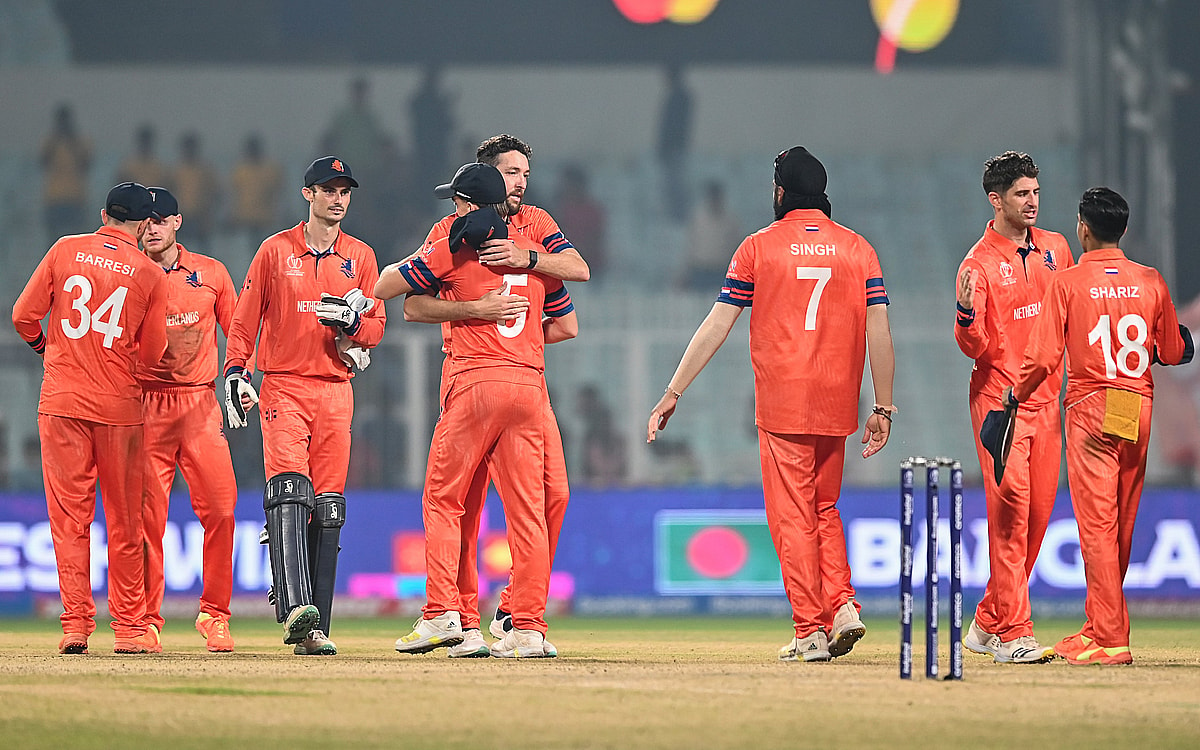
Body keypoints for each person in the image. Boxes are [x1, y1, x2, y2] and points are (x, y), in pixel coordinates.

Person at [646, 146, 895, 662]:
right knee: (824, 508)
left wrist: (674, 391)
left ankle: (809, 630)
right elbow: (880, 331)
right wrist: (884, 407)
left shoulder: (759, 247)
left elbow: (718, 323)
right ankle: (842, 606)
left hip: (783, 403)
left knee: (792, 518)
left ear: (780, 192)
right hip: (837, 400)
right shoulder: (858, 249)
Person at [378, 161, 578, 659]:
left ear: (467, 205)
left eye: (457, 202)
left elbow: (387, 289)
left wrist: (469, 307)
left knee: (445, 501)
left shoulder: (454, 245)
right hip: (529, 387)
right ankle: (528, 628)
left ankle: (443, 614)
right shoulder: (532, 254)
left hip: (473, 382)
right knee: (528, 514)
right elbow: (568, 322)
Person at [1004, 187, 1192, 665]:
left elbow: (1044, 358)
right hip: (1135, 404)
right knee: (1120, 523)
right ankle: (1098, 627)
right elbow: (1172, 352)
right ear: (1123, 230)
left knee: (1096, 526)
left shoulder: (1065, 283)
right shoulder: (1149, 280)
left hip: (1091, 406)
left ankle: (1110, 638)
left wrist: (1014, 396)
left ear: (1082, 228)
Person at [222, 156, 386, 656]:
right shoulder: (274, 251)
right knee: (290, 490)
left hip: (336, 391)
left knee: (329, 508)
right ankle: (296, 610)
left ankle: (318, 628)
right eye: (328, 189)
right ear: (307, 194)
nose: (338, 198)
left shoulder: (361, 257)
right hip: (285, 386)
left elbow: (377, 328)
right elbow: (244, 320)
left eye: (345, 191)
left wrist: (352, 326)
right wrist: (234, 371)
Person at [12, 182, 169, 654]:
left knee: (69, 522)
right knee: (124, 523)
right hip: (119, 410)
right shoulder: (149, 273)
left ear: (104, 215)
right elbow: (156, 352)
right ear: (144, 226)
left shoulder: (64, 250)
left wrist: (48, 350)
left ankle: (76, 626)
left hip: (61, 403)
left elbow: (23, 316)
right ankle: (128, 630)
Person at [954, 151, 1074, 664]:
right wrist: (964, 315)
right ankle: (1014, 634)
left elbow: (1072, 315)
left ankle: (986, 622)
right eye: (1022, 194)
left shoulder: (1056, 249)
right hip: (1000, 405)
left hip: (1049, 403)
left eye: (1036, 192)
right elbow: (974, 347)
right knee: (1010, 517)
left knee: (1038, 519)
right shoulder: (977, 264)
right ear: (996, 200)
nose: (1032, 202)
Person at [136, 187, 240, 653]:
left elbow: (237, 332)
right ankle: (144, 620)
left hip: (200, 406)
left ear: (177, 221)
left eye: (160, 219)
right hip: (143, 407)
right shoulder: (126, 275)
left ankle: (214, 615)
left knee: (221, 510)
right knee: (145, 521)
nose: (151, 228)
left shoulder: (211, 273)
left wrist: (239, 378)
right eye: (145, 220)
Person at [678, 181, 744, 292]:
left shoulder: (730, 221)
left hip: (721, 270)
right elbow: (690, 246)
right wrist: (684, 272)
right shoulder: (698, 219)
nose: (714, 201)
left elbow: (736, 247)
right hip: (700, 270)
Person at [39, 103, 92, 239]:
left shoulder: (79, 143)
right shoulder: (51, 142)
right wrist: (57, 139)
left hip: (75, 196)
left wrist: (71, 142)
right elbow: (43, 163)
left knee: (75, 239)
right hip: (54, 197)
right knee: (53, 239)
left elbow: (86, 165)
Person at [172, 132, 219, 245]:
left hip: (200, 219)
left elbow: (217, 194)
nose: (189, 150)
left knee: (201, 254)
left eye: (191, 147)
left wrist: (210, 213)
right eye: (187, 147)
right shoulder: (175, 171)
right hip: (181, 218)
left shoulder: (205, 171)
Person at [116, 124, 166, 189]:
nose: (145, 144)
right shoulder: (128, 167)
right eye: (143, 141)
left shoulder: (159, 169)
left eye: (147, 142)